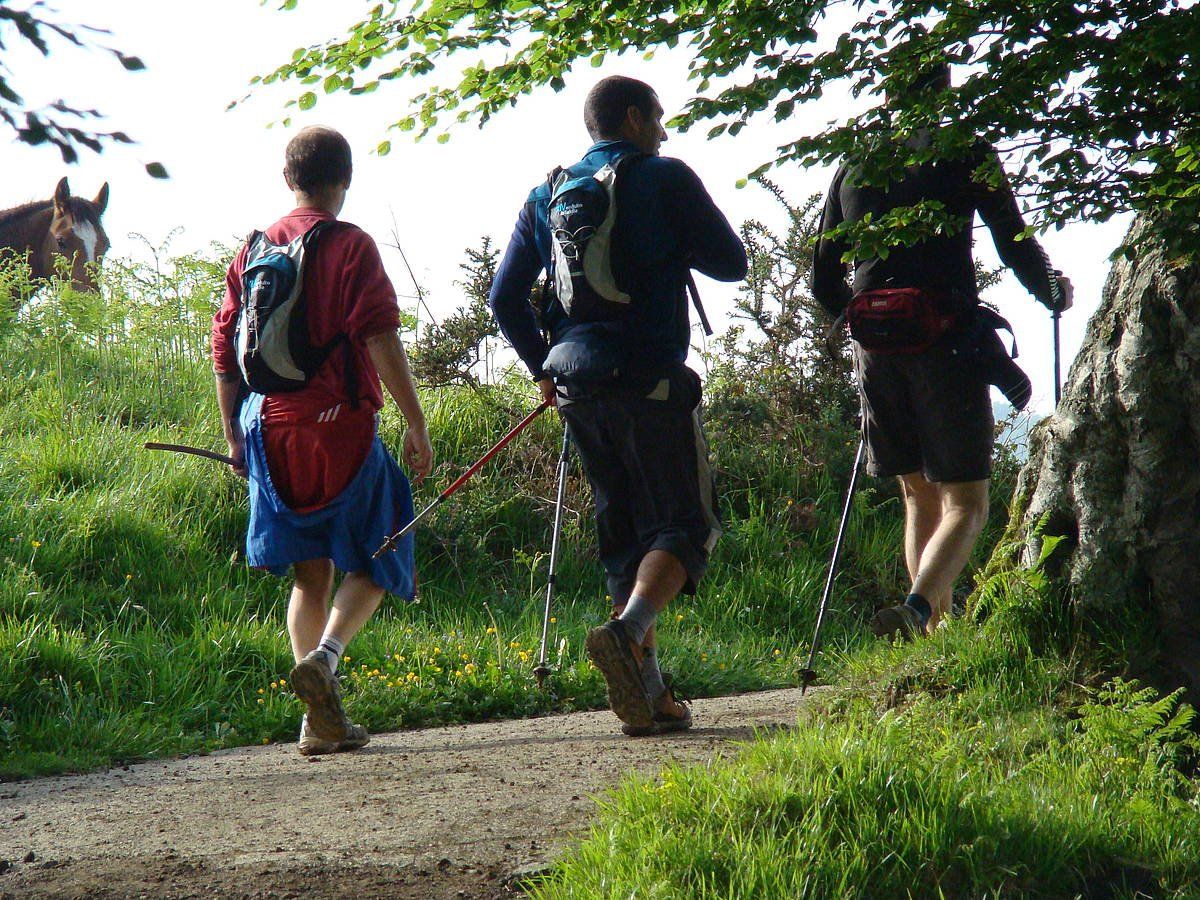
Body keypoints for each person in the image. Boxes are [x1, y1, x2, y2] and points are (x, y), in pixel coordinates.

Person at [488, 75, 747, 735]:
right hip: (651, 377)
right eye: (658, 119)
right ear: (633, 118)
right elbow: (732, 262)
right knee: (684, 528)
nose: (663, 132)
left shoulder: (546, 192)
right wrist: (673, 242)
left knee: (624, 539)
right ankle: (628, 632)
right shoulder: (666, 178)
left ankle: (652, 694)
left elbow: (504, 297)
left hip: (577, 384)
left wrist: (540, 370)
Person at [811, 61, 1073, 639]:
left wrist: (861, 329)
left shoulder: (855, 161)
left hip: (875, 352)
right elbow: (1015, 243)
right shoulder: (964, 151)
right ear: (945, 92)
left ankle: (933, 636)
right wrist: (1053, 291)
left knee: (916, 494)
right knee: (968, 502)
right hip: (946, 342)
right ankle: (920, 609)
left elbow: (823, 279)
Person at [211, 125, 433, 755]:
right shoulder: (350, 246)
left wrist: (233, 434)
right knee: (384, 549)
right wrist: (414, 421)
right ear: (346, 179)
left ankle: (316, 722)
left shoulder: (252, 249)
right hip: (339, 425)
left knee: (310, 575)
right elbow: (379, 336)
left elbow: (224, 348)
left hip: (268, 428)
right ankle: (328, 660)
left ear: (289, 180)